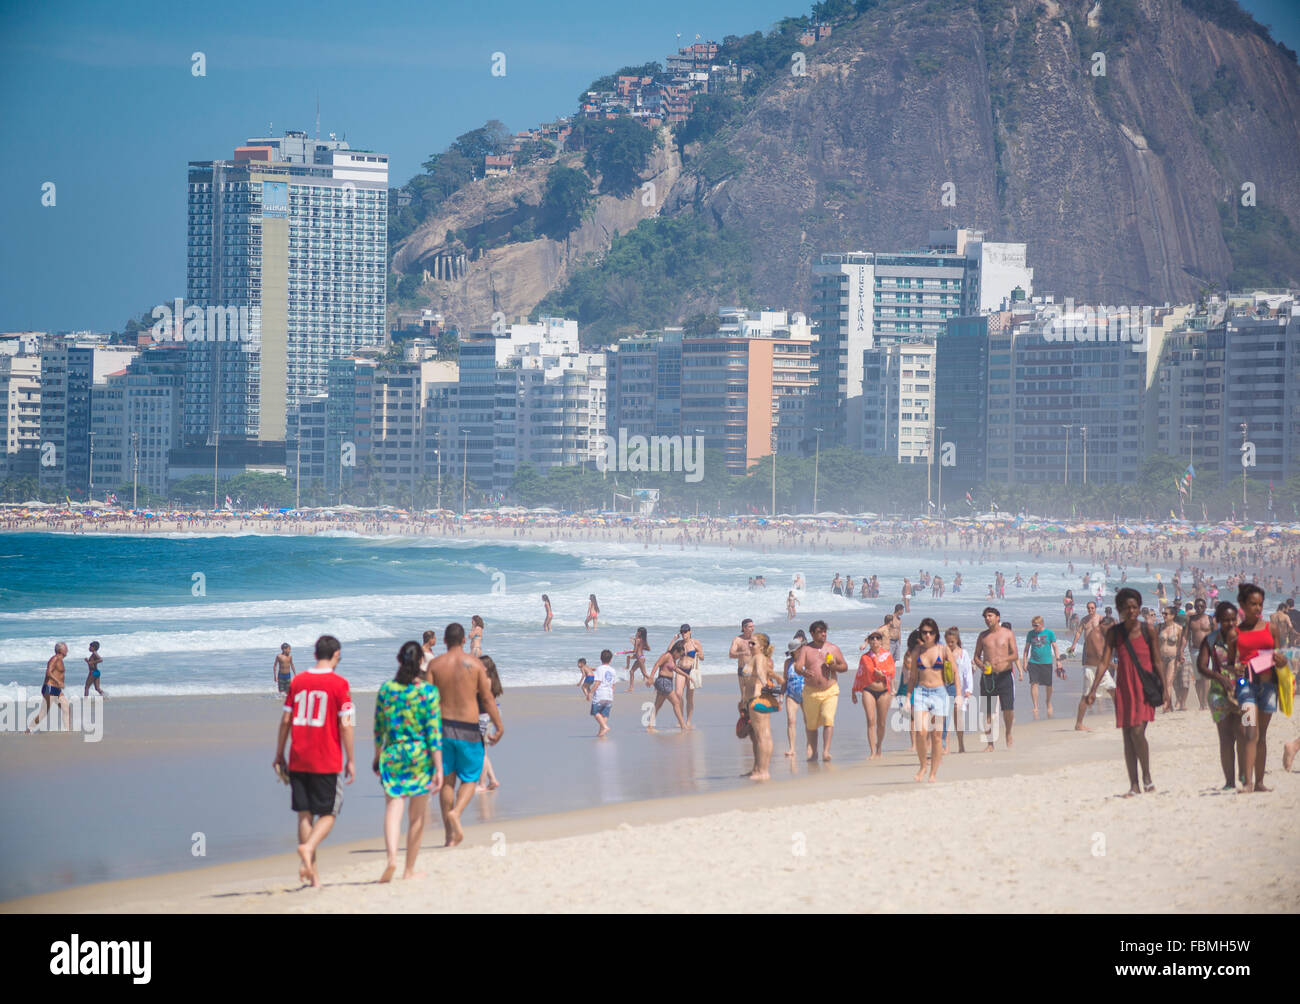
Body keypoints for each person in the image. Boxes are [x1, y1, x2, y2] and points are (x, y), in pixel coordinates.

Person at [273, 635, 355, 887]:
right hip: (326, 758)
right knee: (330, 812)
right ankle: (308, 848)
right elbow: (347, 724)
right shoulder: (340, 683)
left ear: (314, 654)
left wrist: (279, 753)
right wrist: (351, 758)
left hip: (298, 757)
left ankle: (312, 874)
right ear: (336, 655)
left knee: (304, 815)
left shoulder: (298, 682)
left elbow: (286, 720)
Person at [425, 623, 504, 845]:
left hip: (443, 728)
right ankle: (456, 813)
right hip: (468, 727)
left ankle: (449, 836)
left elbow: (428, 701)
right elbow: (487, 699)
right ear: (463, 641)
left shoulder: (435, 665)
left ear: (443, 641)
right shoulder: (475, 664)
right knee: (470, 778)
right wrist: (499, 725)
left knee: (447, 781)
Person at [373, 640, 442, 882]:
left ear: (399, 660)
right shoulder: (428, 692)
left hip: (392, 754)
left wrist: (376, 755)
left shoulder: (387, 690)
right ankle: (408, 869)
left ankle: (392, 858)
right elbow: (434, 734)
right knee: (417, 817)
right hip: (420, 756)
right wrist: (440, 767)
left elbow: (378, 728)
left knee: (393, 808)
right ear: (421, 663)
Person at [1082, 588, 1163, 796]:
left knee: (1137, 732)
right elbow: (1104, 662)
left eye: (1134, 607)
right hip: (1125, 688)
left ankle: (1147, 777)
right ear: (1119, 610)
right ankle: (1134, 785)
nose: (1131, 611)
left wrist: (1165, 689)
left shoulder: (1148, 631)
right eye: (1127, 608)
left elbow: (1157, 661)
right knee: (1127, 736)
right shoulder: (1115, 633)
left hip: (1144, 688)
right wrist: (1092, 690)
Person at [1226, 583, 1284, 794]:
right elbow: (1230, 665)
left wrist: (1281, 660)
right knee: (1250, 732)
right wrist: (1236, 669)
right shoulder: (1234, 633)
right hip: (1245, 686)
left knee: (1262, 734)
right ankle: (1247, 783)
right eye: (1253, 604)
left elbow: (1281, 658)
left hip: (1269, 686)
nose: (1257, 608)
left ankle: (1259, 782)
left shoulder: (1272, 628)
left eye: (1260, 604)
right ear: (1242, 604)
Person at [1196, 601, 1242, 789]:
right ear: (1217, 620)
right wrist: (1219, 677)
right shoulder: (1210, 639)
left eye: (1233, 619)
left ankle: (1246, 778)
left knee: (1245, 735)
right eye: (1226, 620)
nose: (1230, 623)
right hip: (1218, 693)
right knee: (1226, 738)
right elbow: (1201, 666)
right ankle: (1230, 782)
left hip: (1243, 690)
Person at [795, 620, 847, 761]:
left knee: (827, 718)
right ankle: (814, 752)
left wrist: (833, 667)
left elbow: (844, 667)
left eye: (824, 631)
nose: (823, 634)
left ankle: (826, 752)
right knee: (811, 725)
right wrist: (805, 673)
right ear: (812, 634)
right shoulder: (806, 649)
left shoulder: (833, 648)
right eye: (819, 632)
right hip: (811, 691)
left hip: (830, 690)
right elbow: (797, 667)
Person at [908, 618, 954, 782]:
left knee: (936, 735)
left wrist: (960, 695)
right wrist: (908, 697)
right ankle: (922, 766)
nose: (927, 635)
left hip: (939, 692)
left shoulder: (943, 650)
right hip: (921, 692)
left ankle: (933, 772)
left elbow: (954, 673)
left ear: (936, 633)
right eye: (924, 632)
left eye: (931, 632)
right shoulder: (917, 652)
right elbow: (912, 676)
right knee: (921, 732)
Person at [973, 607, 1020, 751]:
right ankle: (990, 743)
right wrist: (981, 666)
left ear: (997, 617)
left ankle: (1008, 732)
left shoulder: (1007, 634)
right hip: (988, 677)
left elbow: (1015, 655)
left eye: (990, 616)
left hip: (1004, 675)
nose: (988, 619)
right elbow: (976, 656)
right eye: (985, 616)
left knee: (1008, 710)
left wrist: (1003, 658)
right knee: (987, 711)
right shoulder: (983, 636)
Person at [739, 633, 781, 780]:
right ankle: (757, 769)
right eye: (749, 643)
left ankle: (763, 771)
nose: (750, 645)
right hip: (752, 698)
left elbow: (763, 676)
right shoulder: (761, 659)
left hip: (757, 698)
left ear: (761, 647)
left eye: (753, 644)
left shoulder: (758, 658)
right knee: (757, 736)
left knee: (763, 735)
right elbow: (769, 673)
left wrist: (767, 687)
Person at [1070, 600, 1114, 731]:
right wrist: (1073, 644)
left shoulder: (1100, 619)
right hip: (1089, 651)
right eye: (1088, 608)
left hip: (1099, 650)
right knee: (1088, 685)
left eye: (1092, 608)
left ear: (1095, 608)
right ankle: (1079, 722)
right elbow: (1079, 632)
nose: (1090, 610)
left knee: (1112, 689)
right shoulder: (1084, 620)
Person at [851, 632, 894, 760]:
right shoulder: (865, 657)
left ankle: (879, 747)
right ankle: (872, 751)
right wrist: (854, 691)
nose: (875, 640)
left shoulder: (887, 656)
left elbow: (891, 671)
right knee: (870, 720)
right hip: (868, 690)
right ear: (869, 642)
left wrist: (883, 673)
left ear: (881, 641)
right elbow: (861, 674)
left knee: (881, 722)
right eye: (872, 639)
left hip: (884, 691)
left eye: (877, 638)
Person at [1022, 615, 1062, 719]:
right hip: (1033, 662)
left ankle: (1048, 702)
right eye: (1033, 625)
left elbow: (1055, 647)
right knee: (1033, 683)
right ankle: (1035, 706)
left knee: (1048, 685)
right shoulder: (1030, 634)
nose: (1034, 627)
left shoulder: (1049, 633)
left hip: (1047, 662)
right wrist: (1025, 662)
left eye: (1036, 625)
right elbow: (1026, 649)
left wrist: (1058, 661)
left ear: (1042, 624)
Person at [1179, 599, 1213, 710]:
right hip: (1195, 651)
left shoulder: (1210, 619)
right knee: (1198, 679)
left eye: (1202, 606)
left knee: (1206, 677)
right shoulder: (1191, 620)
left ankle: (1205, 702)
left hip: (1207, 650)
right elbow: (1185, 636)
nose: (1199, 608)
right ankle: (1201, 703)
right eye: (1197, 607)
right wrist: (1181, 651)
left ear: (1205, 606)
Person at [28, 642, 70, 732]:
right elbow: (48, 672)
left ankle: (67, 730)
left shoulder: (60, 660)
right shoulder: (54, 659)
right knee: (43, 713)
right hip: (50, 687)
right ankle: (28, 730)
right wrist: (58, 681)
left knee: (66, 708)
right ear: (61, 650)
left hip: (57, 689)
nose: (67, 650)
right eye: (66, 648)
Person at [943, 627, 973, 753]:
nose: (950, 645)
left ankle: (961, 745)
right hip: (945, 687)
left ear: (957, 641)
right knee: (946, 718)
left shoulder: (963, 653)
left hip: (958, 688)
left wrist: (968, 689)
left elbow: (967, 672)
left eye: (952, 642)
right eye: (948, 642)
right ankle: (946, 746)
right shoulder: (943, 653)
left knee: (958, 717)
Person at [647, 641, 688, 731]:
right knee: (676, 703)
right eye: (680, 654)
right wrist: (651, 678)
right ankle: (683, 726)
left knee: (658, 705)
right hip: (663, 681)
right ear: (675, 651)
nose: (679, 657)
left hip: (666, 682)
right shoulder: (667, 656)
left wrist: (686, 675)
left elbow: (676, 669)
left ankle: (650, 726)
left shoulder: (672, 659)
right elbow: (657, 664)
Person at [477, 656, 503, 790]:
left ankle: (482, 783)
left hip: (485, 716)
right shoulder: (491, 679)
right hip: (490, 713)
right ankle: (492, 779)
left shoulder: (485, 680)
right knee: (482, 751)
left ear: (485, 667)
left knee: (481, 752)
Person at [782, 632, 807, 756]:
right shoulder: (788, 663)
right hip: (791, 694)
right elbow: (785, 680)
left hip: (806, 693)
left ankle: (810, 746)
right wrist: (781, 695)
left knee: (808, 720)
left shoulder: (807, 660)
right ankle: (792, 748)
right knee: (791, 721)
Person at [1158, 607, 1187, 711]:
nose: (1164, 615)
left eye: (1166, 614)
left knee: (1168, 681)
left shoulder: (1178, 628)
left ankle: (1166, 704)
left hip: (1172, 658)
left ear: (1172, 616)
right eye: (1163, 613)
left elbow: (1181, 643)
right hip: (1161, 658)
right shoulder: (1160, 627)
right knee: (1163, 682)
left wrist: (1181, 655)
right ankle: (1168, 703)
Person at [674, 623, 703, 727]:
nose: (683, 634)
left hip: (691, 671)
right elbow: (671, 655)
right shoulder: (679, 644)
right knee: (678, 694)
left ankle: (688, 721)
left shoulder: (695, 643)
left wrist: (698, 653)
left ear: (690, 631)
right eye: (681, 632)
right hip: (680, 669)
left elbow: (702, 657)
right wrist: (673, 640)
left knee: (689, 697)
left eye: (685, 631)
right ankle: (681, 719)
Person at [588, 650, 616, 737]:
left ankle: (604, 727)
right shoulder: (613, 670)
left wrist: (590, 692)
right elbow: (613, 685)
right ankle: (601, 732)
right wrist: (611, 694)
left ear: (600, 658)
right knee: (605, 713)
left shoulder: (599, 669)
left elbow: (597, 683)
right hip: (609, 695)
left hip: (600, 694)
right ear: (611, 659)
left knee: (595, 711)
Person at [729, 618, 756, 698]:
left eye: (753, 626)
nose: (752, 628)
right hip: (744, 669)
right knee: (745, 696)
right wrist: (743, 653)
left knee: (755, 695)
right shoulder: (738, 640)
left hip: (755, 669)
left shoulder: (756, 639)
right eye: (750, 627)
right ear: (744, 628)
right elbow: (731, 654)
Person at [626, 627, 650, 691]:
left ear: (639, 633)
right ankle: (631, 688)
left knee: (644, 673)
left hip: (639, 658)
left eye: (637, 631)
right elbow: (648, 649)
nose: (636, 632)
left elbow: (634, 650)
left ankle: (656, 684)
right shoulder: (644, 640)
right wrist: (640, 647)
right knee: (631, 671)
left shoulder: (637, 640)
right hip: (641, 657)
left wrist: (626, 652)